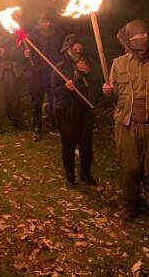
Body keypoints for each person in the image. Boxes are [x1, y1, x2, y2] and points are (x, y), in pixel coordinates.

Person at [102, 20, 149, 219]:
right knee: (130, 168)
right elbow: (114, 97)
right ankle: (131, 204)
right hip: (126, 125)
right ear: (129, 39)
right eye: (139, 35)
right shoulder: (119, 63)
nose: (144, 38)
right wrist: (108, 91)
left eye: (146, 34)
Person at [51, 34, 96, 188]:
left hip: (85, 111)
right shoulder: (59, 68)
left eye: (80, 49)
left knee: (86, 144)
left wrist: (88, 73)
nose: (78, 52)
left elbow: (97, 85)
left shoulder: (87, 65)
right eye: (74, 49)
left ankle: (86, 174)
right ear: (67, 50)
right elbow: (54, 92)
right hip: (66, 112)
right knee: (69, 144)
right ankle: (70, 177)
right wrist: (66, 87)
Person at [24, 11, 63, 141]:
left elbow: (61, 51)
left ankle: (53, 125)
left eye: (49, 21)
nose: (47, 24)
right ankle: (36, 128)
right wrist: (25, 53)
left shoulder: (58, 35)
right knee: (36, 102)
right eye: (45, 21)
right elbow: (24, 52)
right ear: (40, 22)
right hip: (37, 73)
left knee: (54, 101)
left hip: (53, 72)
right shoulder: (33, 35)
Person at [0, 37, 23, 132]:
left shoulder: (15, 40)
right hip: (0, 75)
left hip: (13, 73)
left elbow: (19, 54)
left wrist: (6, 52)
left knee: (14, 98)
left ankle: (16, 119)